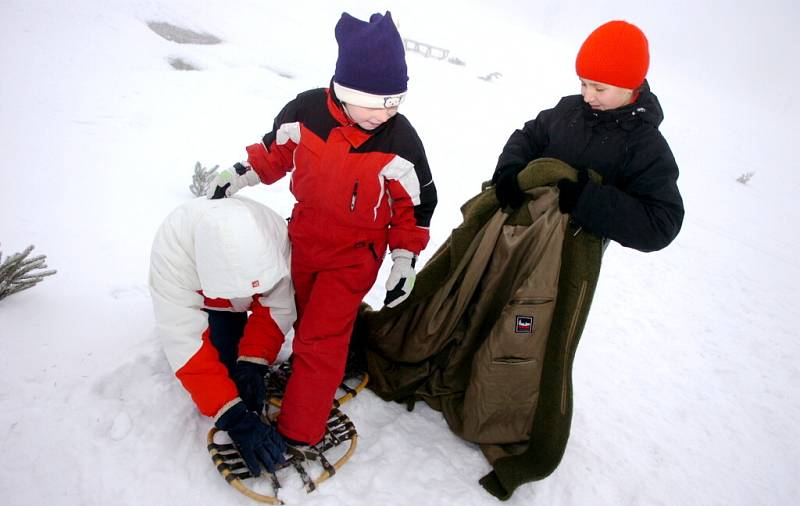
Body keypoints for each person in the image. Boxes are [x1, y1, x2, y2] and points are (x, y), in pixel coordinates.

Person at [205, 11, 437, 446]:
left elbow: (416, 206)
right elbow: (275, 152)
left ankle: (299, 430)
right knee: (295, 315)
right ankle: (312, 365)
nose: (382, 114)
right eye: (372, 102)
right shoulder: (306, 111)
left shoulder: (400, 142)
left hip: (354, 256)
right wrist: (239, 174)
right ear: (343, 89)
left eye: (393, 103)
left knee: (318, 341)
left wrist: (404, 260)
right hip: (304, 240)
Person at [492, 20, 684, 252]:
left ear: (630, 87)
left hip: (566, 265)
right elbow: (528, 137)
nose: (587, 96)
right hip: (516, 234)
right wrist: (509, 170)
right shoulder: (568, 110)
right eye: (583, 83)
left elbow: (662, 223)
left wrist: (588, 201)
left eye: (599, 88)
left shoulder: (644, 144)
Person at [148, 196, 296, 476]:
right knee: (222, 373)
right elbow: (184, 341)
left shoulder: (272, 233)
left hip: (251, 292)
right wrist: (234, 417)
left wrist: (254, 360)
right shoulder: (172, 255)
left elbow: (278, 302)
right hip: (210, 302)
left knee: (244, 373)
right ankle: (226, 318)